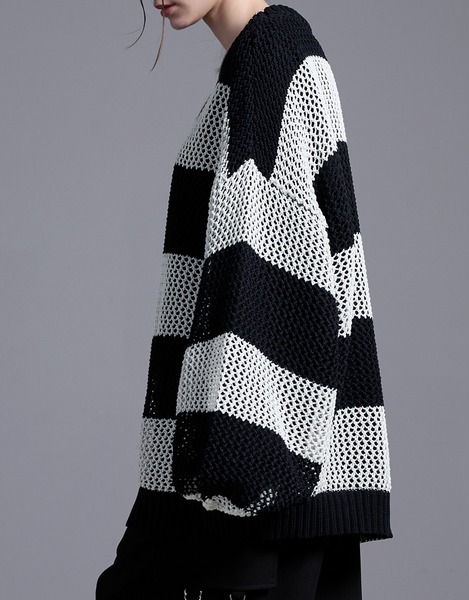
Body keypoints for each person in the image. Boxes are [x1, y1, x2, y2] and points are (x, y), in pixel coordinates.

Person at [96, 2, 393, 599]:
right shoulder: (273, 57)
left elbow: (276, 278)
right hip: (295, 471)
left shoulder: (269, 58)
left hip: (255, 478)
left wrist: (234, 470)